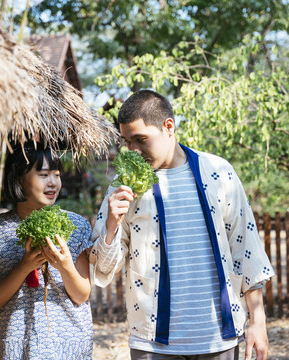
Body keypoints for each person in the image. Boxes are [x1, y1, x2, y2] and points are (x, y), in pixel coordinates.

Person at [89, 90, 275, 360]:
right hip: (151, 344)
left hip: (218, 340)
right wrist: (111, 225)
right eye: (127, 142)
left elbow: (246, 249)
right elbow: (104, 268)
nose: (133, 151)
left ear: (168, 127)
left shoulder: (218, 172)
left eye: (141, 140)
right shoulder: (122, 186)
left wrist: (258, 322)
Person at [0, 141, 94, 359]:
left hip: (70, 347)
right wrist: (25, 266)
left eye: (56, 174)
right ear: (18, 177)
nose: (53, 182)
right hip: (19, 349)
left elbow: (82, 294)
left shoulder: (76, 226)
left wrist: (65, 266)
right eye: (44, 174)